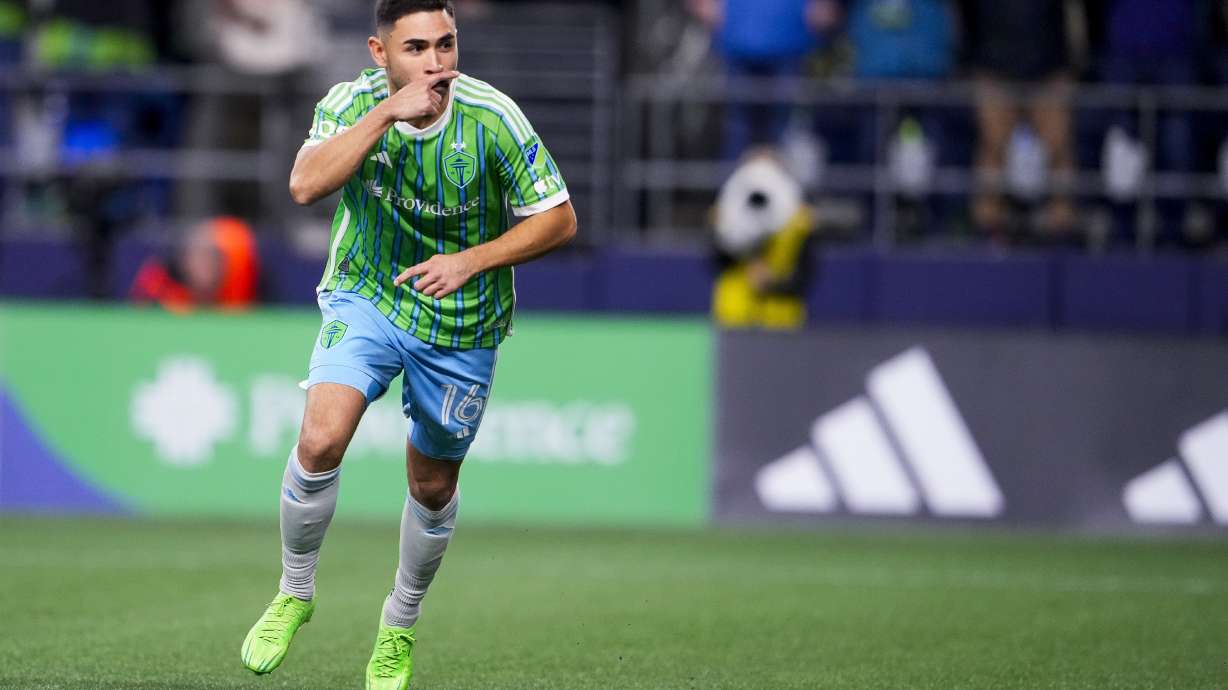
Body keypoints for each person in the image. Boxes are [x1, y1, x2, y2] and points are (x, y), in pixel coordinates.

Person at [238, 1, 577, 688]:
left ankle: (399, 623)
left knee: (431, 482)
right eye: (416, 48)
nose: (435, 64)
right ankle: (294, 593)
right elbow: (305, 184)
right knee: (320, 439)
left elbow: (561, 220)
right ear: (379, 54)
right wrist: (386, 114)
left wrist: (472, 260)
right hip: (368, 293)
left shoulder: (492, 118)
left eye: (445, 45)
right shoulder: (352, 103)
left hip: (460, 321)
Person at [129, 216, 261, 312]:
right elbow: (140, 311)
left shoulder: (240, 273)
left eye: (210, 261)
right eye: (197, 261)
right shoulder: (162, 284)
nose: (204, 268)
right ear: (184, 263)